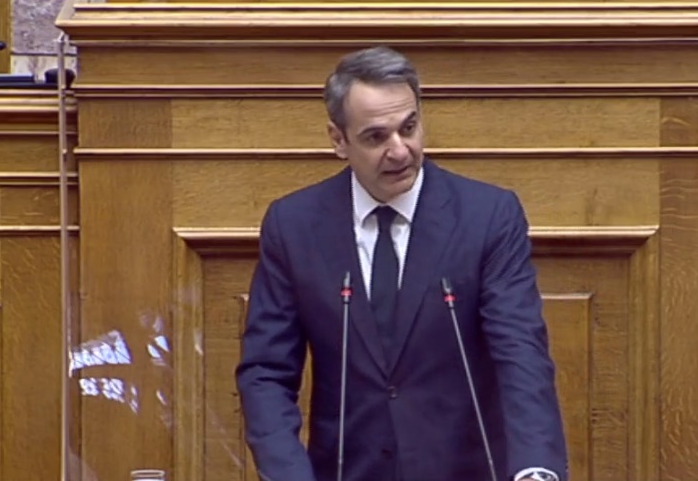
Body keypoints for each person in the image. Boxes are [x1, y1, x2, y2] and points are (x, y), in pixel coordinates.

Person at [236, 46, 568, 481]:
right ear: (339, 140)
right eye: (376, 137)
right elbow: (266, 372)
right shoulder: (294, 226)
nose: (400, 151)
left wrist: (536, 470)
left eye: (408, 128)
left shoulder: (487, 216)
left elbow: (521, 354)